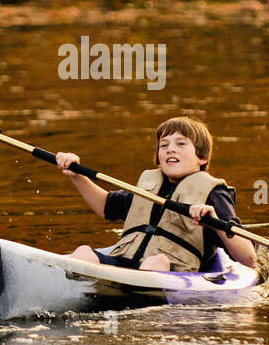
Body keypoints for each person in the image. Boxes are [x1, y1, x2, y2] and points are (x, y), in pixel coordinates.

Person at [54, 116, 256, 273]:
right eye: (164, 145)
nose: (170, 150)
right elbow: (105, 206)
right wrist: (76, 175)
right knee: (83, 252)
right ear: (158, 159)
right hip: (124, 262)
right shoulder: (149, 185)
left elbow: (248, 258)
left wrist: (214, 222)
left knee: (156, 261)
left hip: (173, 271)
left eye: (181, 144)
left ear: (201, 157)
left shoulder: (213, 193)